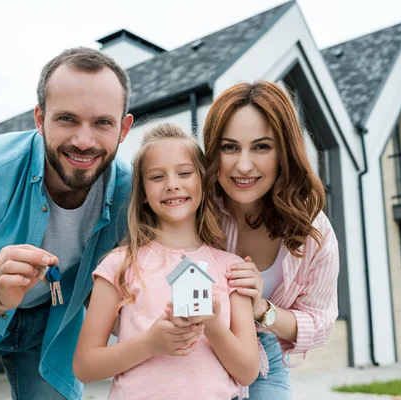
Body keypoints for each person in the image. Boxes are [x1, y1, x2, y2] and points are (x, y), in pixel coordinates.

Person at [0, 47, 134, 400]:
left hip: (54, 326)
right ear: (39, 118)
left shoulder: (132, 192)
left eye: (102, 122)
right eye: (67, 119)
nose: (84, 140)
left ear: (124, 128)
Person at [73, 123, 260, 399]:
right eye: (157, 177)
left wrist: (211, 323)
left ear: (202, 182)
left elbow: (248, 372)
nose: (172, 184)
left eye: (184, 173)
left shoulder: (232, 269)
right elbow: (85, 366)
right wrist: (150, 344)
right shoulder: (118, 266)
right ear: (144, 194)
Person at [202, 81, 340, 399]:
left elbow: (320, 322)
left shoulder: (312, 231)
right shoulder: (196, 209)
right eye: (230, 147)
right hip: (197, 345)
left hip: (264, 355)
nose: (244, 165)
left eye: (261, 147)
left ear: (283, 152)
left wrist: (262, 310)